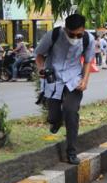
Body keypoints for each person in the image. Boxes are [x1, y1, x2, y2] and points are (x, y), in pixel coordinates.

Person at [35, 13, 94, 164]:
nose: (75, 38)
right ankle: (56, 120)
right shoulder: (53, 35)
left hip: (74, 80)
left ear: (84, 30)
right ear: (65, 28)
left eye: (78, 35)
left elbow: (88, 61)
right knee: (54, 117)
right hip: (53, 80)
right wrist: (41, 69)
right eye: (71, 34)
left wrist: (85, 80)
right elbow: (39, 54)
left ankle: (72, 151)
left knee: (71, 111)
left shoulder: (88, 39)